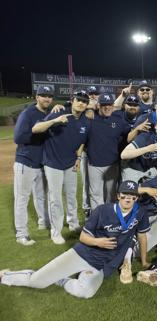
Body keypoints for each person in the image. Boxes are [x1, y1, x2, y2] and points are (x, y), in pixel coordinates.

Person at [0, 181, 149, 299]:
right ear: (118, 196)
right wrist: (98, 242)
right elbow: (83, 237)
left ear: (137, 198)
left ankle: (61, 279)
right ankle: (5, 276)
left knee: (86, 292)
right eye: (124, 195)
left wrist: (144, 261)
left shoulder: (140, 213)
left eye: (133, 196)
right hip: (82, 254)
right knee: (37, 282)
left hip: (101, 266)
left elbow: (142, 236)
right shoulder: (103, 210)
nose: (128, 199)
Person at [32, 90, 91, 244]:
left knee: (71, 195)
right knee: (55, 198)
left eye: (84, 101)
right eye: (79, 100)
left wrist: (78, 156)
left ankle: (73, 224)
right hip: (52, 163)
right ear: (73, 100)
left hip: (70, 163)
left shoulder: (85, 122)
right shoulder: (59, 112)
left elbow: (82, 141)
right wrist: (54, 121)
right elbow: (36, 129)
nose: (81, 103)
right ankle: (56, 231)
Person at [12, 85, 53, 245]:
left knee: (41, 196)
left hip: (41, 164)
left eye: (49, 96)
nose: (47, 99)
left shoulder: (48, 114)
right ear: (37, 97)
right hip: (25, 162)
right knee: (22, 199)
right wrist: (38, 134)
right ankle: (21, 234)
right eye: (43, 95)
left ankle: (43, 222)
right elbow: (18, 137)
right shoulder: (28, 113)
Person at [86, 93, 131, 210]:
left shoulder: (118, 120)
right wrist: (90, 107)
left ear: (113, 105)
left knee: (111, 196)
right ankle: (97, 219)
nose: (107, 108)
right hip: (94, 164)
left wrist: (138, 129)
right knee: (95, 195)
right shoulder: (90, 117)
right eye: (104, 105)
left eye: (110, 105)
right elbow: (74, 107)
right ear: (98, 105)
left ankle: (109, 218)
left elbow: (130, 134)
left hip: (112, 164)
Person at [120, 115, 157, 182]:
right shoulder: (146, 136)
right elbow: (123, 155)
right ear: (156, 126)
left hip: (149, 169)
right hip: (133, 168)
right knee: (130, 190)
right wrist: (148, 148)